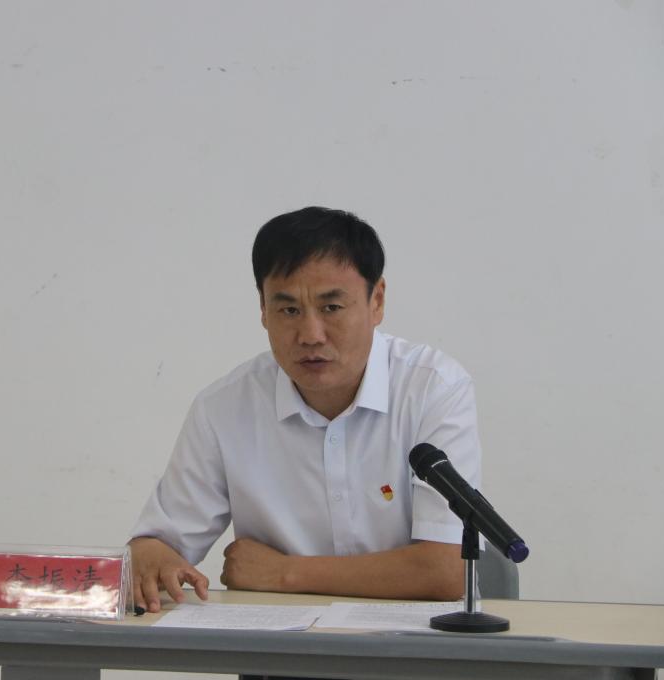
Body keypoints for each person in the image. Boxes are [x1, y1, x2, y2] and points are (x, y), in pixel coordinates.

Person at [129, 206, 482, 614]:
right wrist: (152, 557)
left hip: (413, 645)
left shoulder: (433, 389)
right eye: (289, 310)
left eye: (332, 308)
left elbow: (446, 570)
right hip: (280, 647)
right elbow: (154, 547)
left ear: (377, 301)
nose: (311, 335)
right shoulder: (224, 408)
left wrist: (284, 574)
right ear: (263, 309)